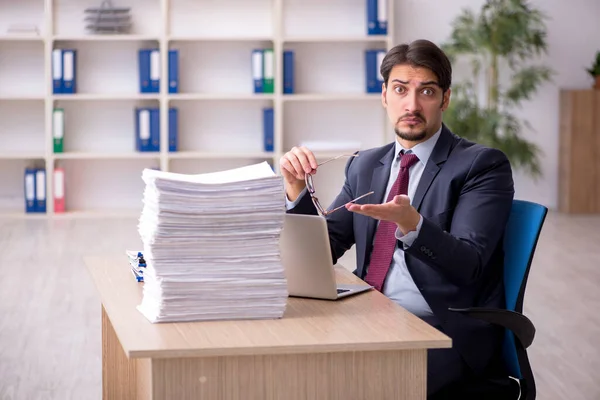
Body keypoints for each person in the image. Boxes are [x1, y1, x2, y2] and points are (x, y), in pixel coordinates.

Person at [279, 39, 515, 397]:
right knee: (285, 369)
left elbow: (470, 264)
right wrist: (297, 190)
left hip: (439, 330)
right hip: (366, 317)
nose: (412, 104)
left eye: (427, 92)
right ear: (385, 95)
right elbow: (324, 248)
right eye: (401, 89)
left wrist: (413, 225)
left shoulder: (480, 165)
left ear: (445, 99)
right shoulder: (365, 164)